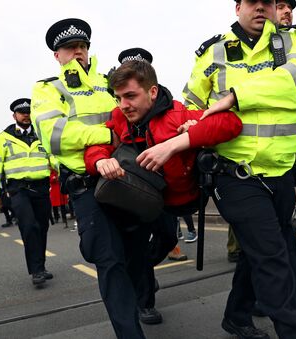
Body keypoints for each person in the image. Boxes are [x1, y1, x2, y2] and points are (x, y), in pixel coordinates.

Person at [177, 1, 296, 337]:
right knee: (272, 256)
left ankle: (237, 315)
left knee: (264, 246)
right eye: (252, 1)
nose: (261, 7)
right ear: (237, 6)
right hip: (233, 174)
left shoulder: (294, 43)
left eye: (268, 1)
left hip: (281, 169)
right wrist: (191, 124)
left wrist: (235, 97)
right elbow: (191, 108)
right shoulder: (212, 52)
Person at [84, 59, 243, 327]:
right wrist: (100, 161)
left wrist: (188, 137)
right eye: (119, 97)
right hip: (138, 199)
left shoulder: (179, 115)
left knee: (168, 239)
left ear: (153, 92)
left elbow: (230, 123)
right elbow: (97, 145)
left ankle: (139, 272)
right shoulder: (118, 118)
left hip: (178, 199)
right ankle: (144, 299)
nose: (123, 105)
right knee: (135, 247)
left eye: (131, 96)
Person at [31, 18, 145, 338]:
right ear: (57, 55)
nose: (78, 52)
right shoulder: (48, 88)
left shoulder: (112, 82)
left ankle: (143, 296)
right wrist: (108, 135)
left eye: (82, 46)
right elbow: (55, 135)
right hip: (87, 187)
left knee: (144, 246)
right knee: (110, 261)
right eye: (70, 48)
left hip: (127, 178)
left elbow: (136, 117)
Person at [0, 98, 54, 287]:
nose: (26, 115)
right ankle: (36, 270)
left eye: (29, 111)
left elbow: (53, 159)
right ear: (14, 115)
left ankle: (40, 265)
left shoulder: (43, 134)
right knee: (29, 226)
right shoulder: (3, 138)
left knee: (42, 227)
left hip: (41, 188)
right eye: (22, 112)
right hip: (19, 190)